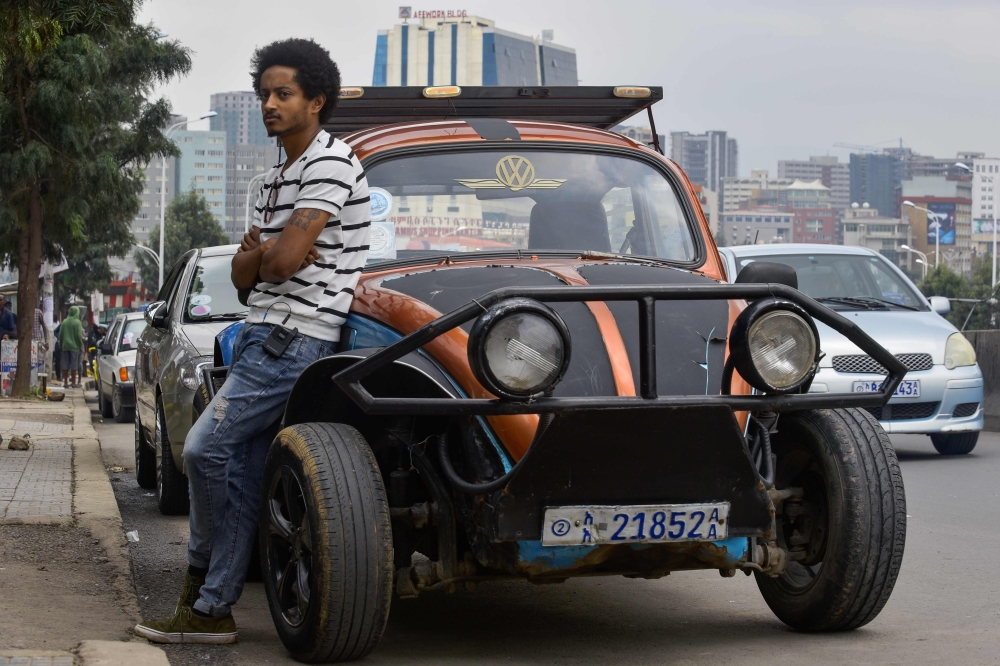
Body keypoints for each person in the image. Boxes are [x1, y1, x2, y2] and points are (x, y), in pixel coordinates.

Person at [135, 38, 370, 645]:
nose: (269, 103)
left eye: (283, 94)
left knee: (201, 451)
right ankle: (210, 609)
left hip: (295, 340)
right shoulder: (270, 181)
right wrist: (269, 255)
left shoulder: (332, 163)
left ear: (316, 101)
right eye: (264, 93)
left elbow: (279, 263)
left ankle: (205, 596)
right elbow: (244, 280)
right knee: (236, 470)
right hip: (258, 332)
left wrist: (269, 254)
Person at [58, 306, 84, 388]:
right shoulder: (78, 322)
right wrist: (80, 345)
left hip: (65, 346)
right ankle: (73, 383)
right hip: (75, 347)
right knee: (74, 364)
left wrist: (60, 344)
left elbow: (60, 335)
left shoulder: (64, 322)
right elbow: (79, 336)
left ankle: (65, 382)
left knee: (65, 364)